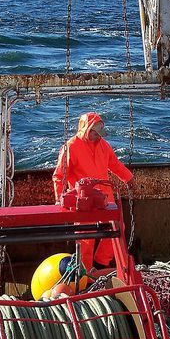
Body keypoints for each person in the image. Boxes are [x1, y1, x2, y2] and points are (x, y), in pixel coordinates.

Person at [53, 112, 133, 269]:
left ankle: (101, 263)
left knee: (117, 228)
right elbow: (59, 176)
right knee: (85, 238)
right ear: (85, 129)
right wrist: (59, 200)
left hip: (105, 198)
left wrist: (129, 178)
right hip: (83, 201)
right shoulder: (70, 147)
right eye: (94, 132)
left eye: (99, 132)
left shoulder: (104, 145)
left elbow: (115, 164)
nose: (97, 136)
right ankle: (85, 274)